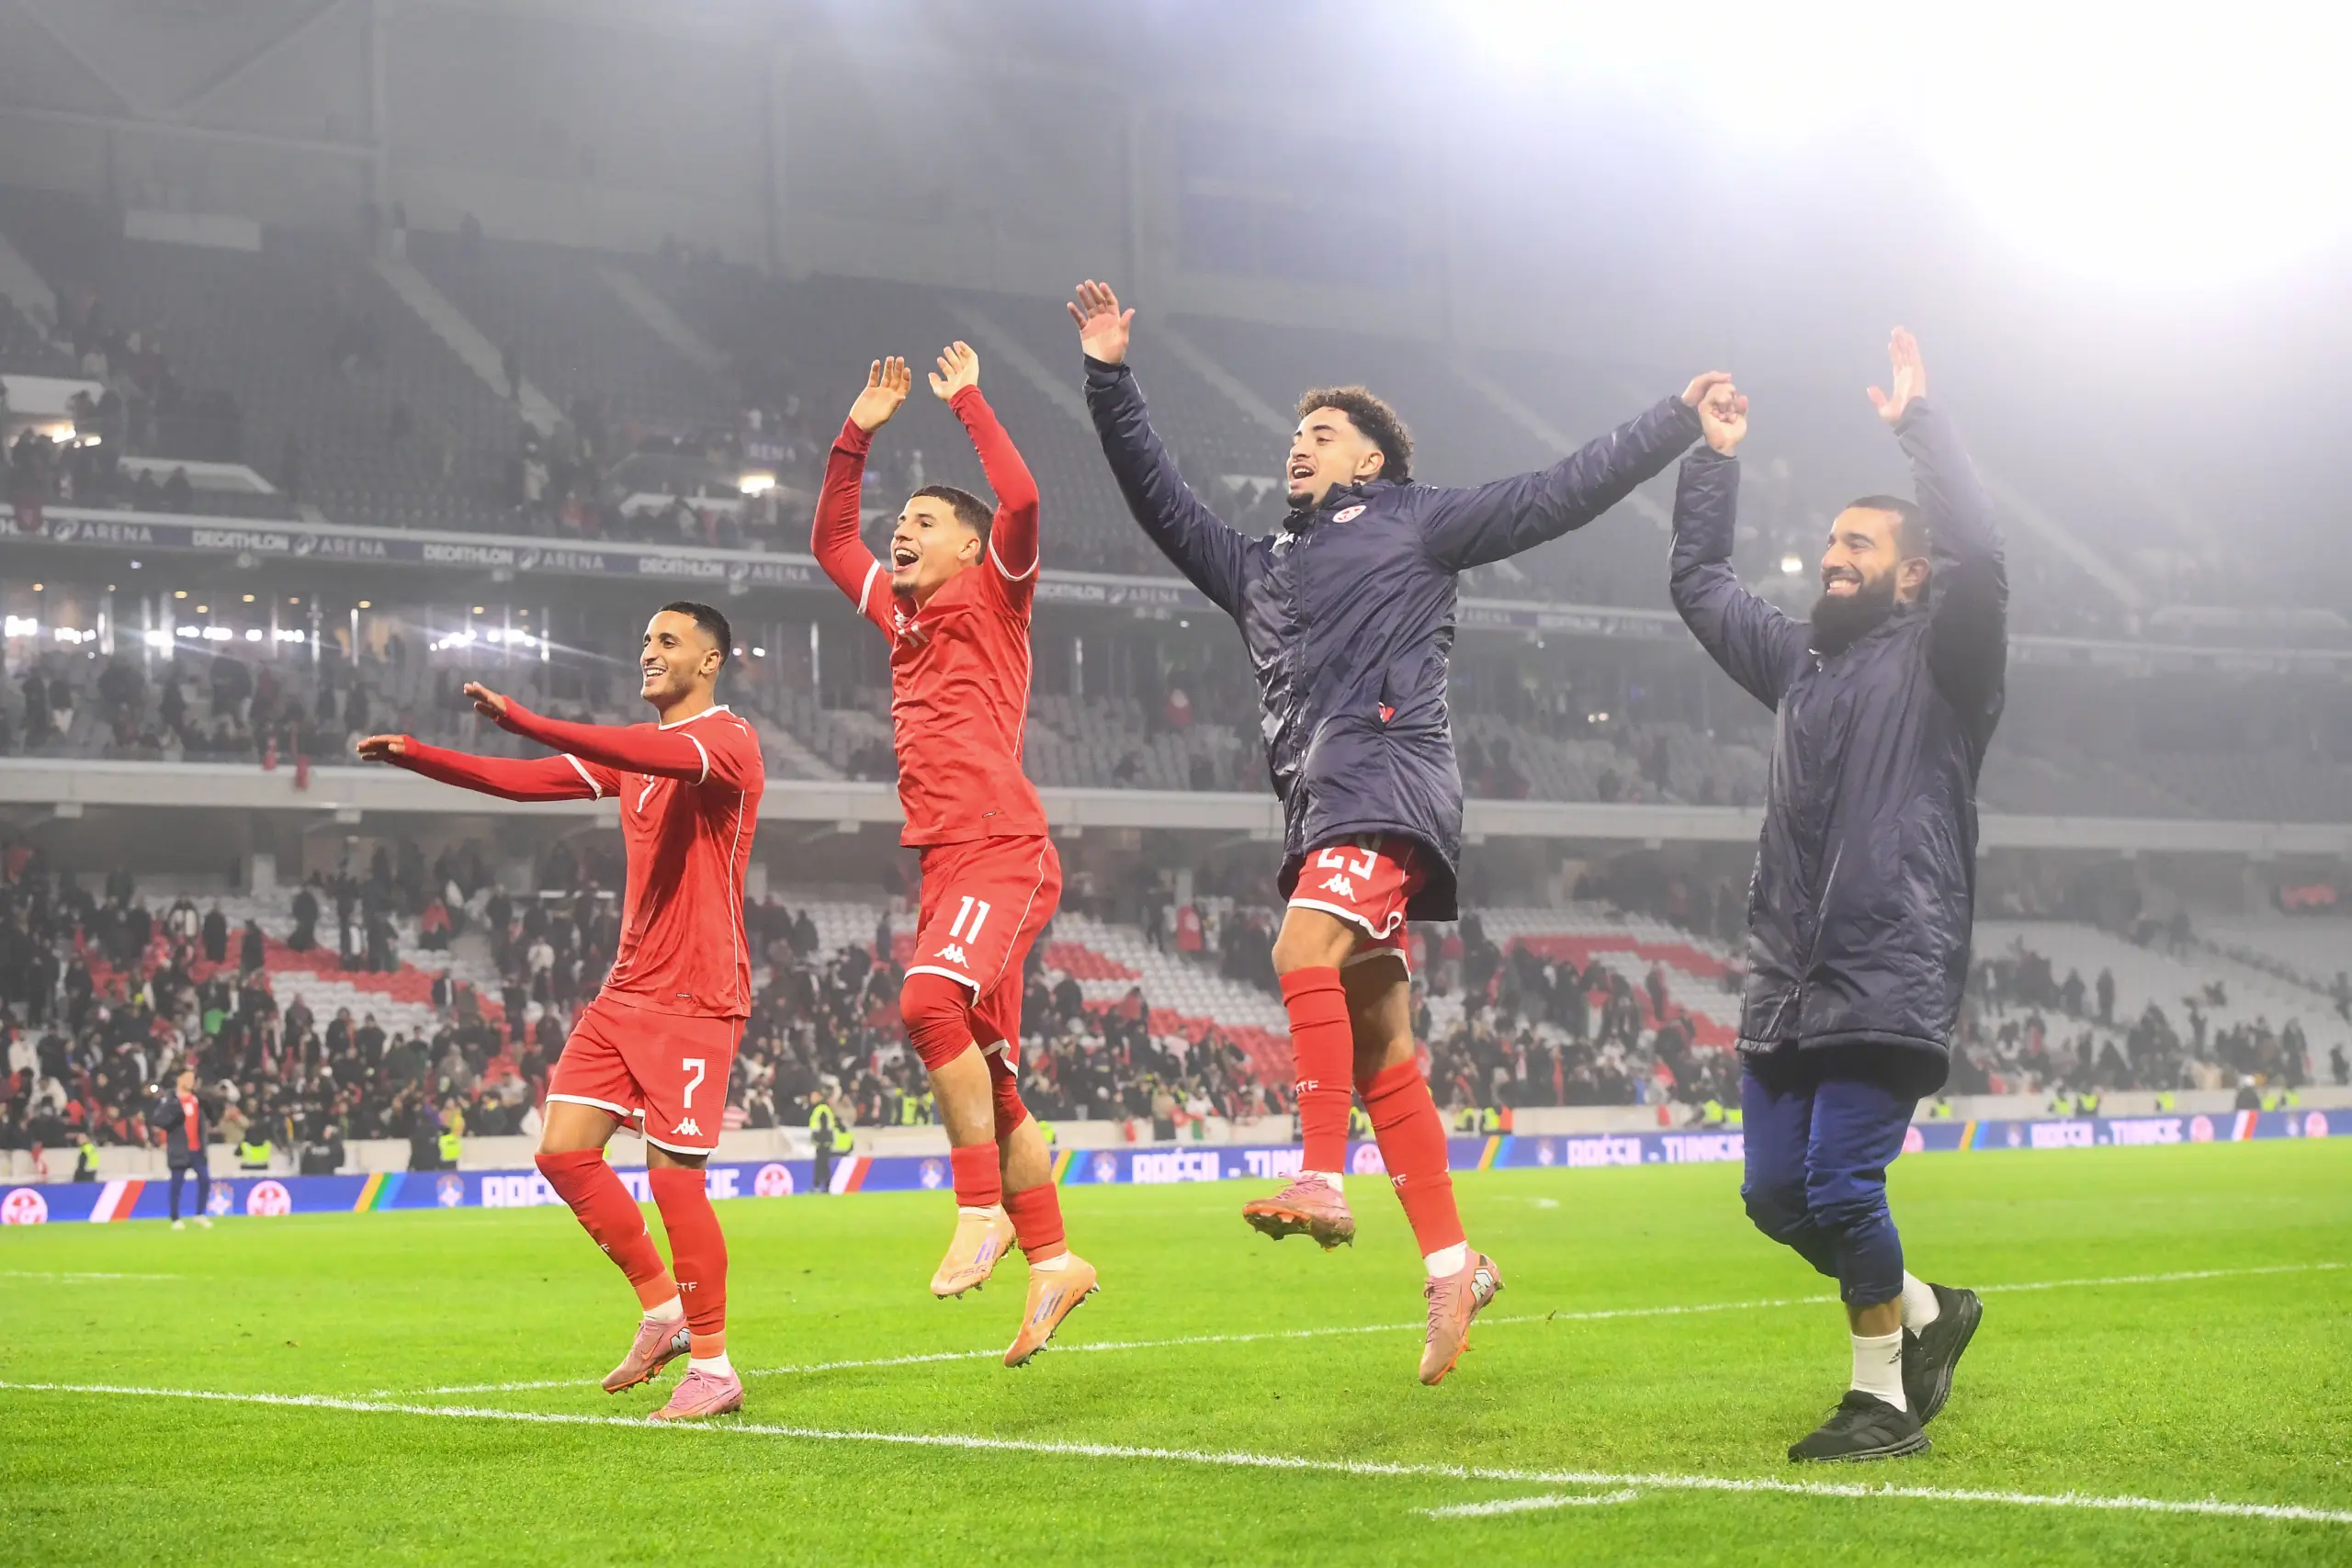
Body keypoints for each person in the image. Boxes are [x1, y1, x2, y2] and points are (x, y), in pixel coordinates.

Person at [1070, 277, 1721, 1384]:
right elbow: (1158, 499)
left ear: (1370, 460)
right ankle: (1454, 1262)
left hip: (1390, 783)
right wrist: (1107, 377)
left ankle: (1320, 1175)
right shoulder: (1257, 568)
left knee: (1296, 949)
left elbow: (1555, 492)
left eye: (1320, 434)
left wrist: (1670, 422)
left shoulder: (1419, 523)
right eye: (1294, 435)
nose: (1298, 447)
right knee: (1386, 1059)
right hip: (1326, 802)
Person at [1667, 330, 2005, 1462]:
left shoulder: (1948, 665)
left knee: (1840, 1182)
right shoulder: (1799, 663)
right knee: (1774, 1197)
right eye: (1825, 544)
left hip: (1886, 961)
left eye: (1856, 544)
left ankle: (1883, 1401)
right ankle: (1924, 1309)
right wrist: (1711, 460)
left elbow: (1982, 562)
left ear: (1913, 572)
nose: (1829, 558)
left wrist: (1921, 431)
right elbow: (1700, 585)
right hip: (1786, 978)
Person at [356, 600, 764, 1422]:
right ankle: (663, 1311)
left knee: (674, 1179)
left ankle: (715, 1369)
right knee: (563, 1151)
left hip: (694, 996)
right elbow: (519, 783)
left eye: (669, 641)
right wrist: (423, 758)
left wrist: (526, 716)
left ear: (711, 659)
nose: (648, 651)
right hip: (625, 995)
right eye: (644, 638)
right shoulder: (639, 756)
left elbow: (618, 746)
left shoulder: (726, 742)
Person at [810, 344, 1096, 1367]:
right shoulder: (901, 616)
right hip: (945, 864)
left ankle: (980, 1210)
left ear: (972, 550)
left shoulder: (998, 595)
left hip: (1000, 846)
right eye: (902, 524)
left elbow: (1018, 495)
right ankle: (1055, 1260)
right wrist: (859, 429)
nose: (901, 533)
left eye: (924, 523)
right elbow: (829, 536)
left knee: (928, 1006)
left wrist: (966, 401)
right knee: (1000, 1080)